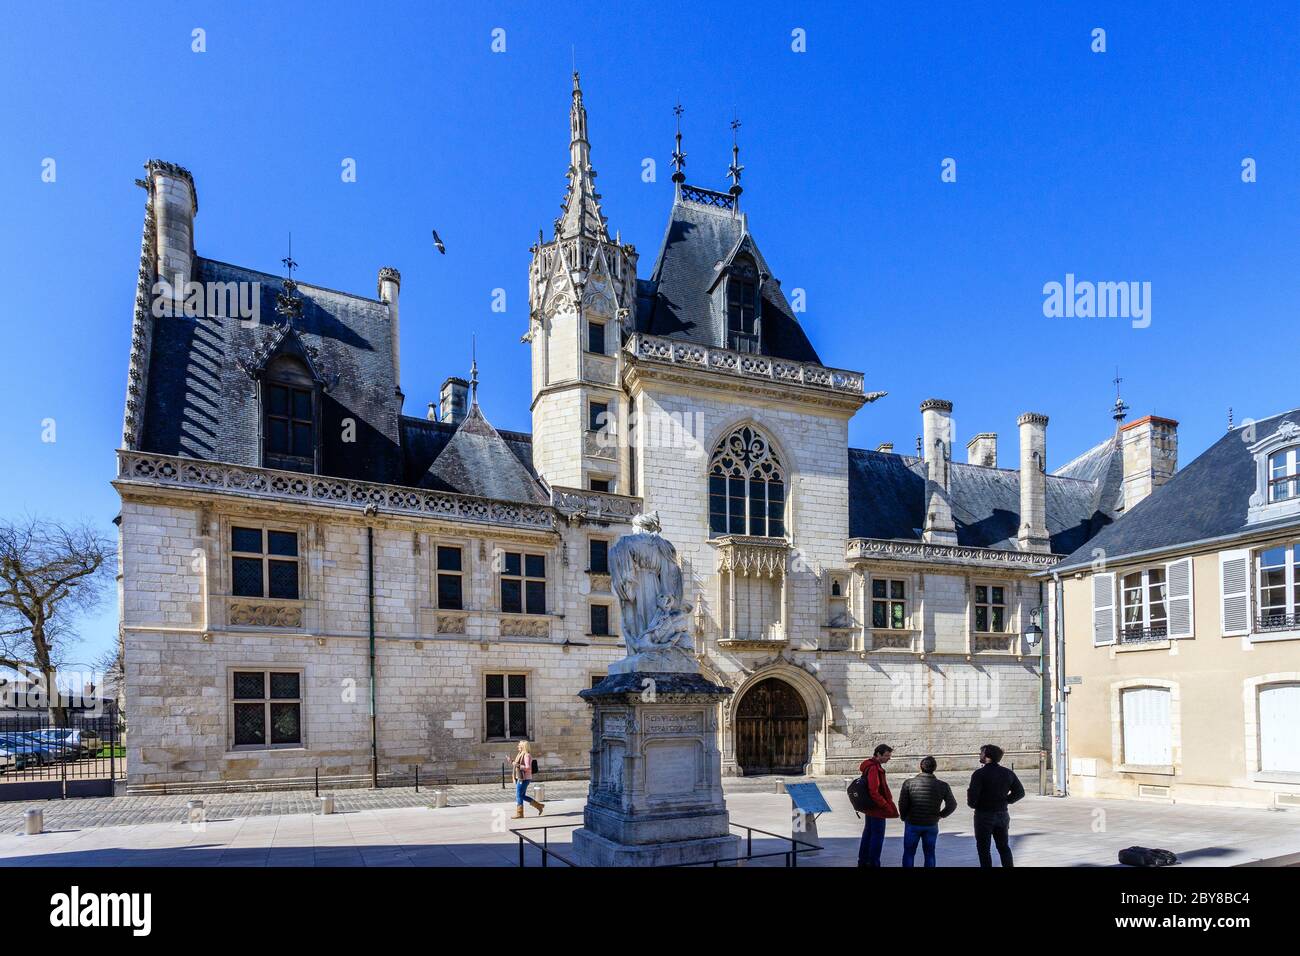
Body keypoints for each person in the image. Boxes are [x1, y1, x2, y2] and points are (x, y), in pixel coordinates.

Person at [966, 743, 1025, 867]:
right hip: (1002, 814)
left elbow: (972, 799)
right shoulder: (1008, 773)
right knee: (1004, 847)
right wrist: (1006, 800)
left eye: (981, 752)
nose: (979, 755)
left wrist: (974, 803)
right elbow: (1020, 792)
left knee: (984, 849)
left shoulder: (979, 774)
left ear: (988, 756)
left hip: (984, 815)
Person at [897, 756, 957, 867]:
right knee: (930, 853)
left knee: (909, 853)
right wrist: (941, 815)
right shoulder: (943, 785)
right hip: (931, 823)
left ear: (920, 767)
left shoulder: (909, 783)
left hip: (912, 823)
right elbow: (952, 805)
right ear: (934, 768)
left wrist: (904, 817)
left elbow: (902, 803)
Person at [857, 744, 898, 867]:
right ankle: (873, 862)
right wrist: (885, 805)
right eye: (886, 755)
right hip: (877, 808)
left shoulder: (870, 766)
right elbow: (873, 791)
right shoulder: (874, 768)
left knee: (868, 834)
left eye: (889, 756)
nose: (889, 758)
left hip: (870, 807)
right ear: (878, 754)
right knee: (877, 837)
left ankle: (863, 861)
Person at [511, 740, 545, 819]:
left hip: (524, 778)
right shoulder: (520, 754)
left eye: (519, 745)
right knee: (522, 795)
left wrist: (517, 765)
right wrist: (513, 763)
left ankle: (520, 813)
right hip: (522, 777)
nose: (518, 746)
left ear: (523, 746)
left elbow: (527, 768)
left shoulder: (527, 755)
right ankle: (539, 806)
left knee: (519, 795)